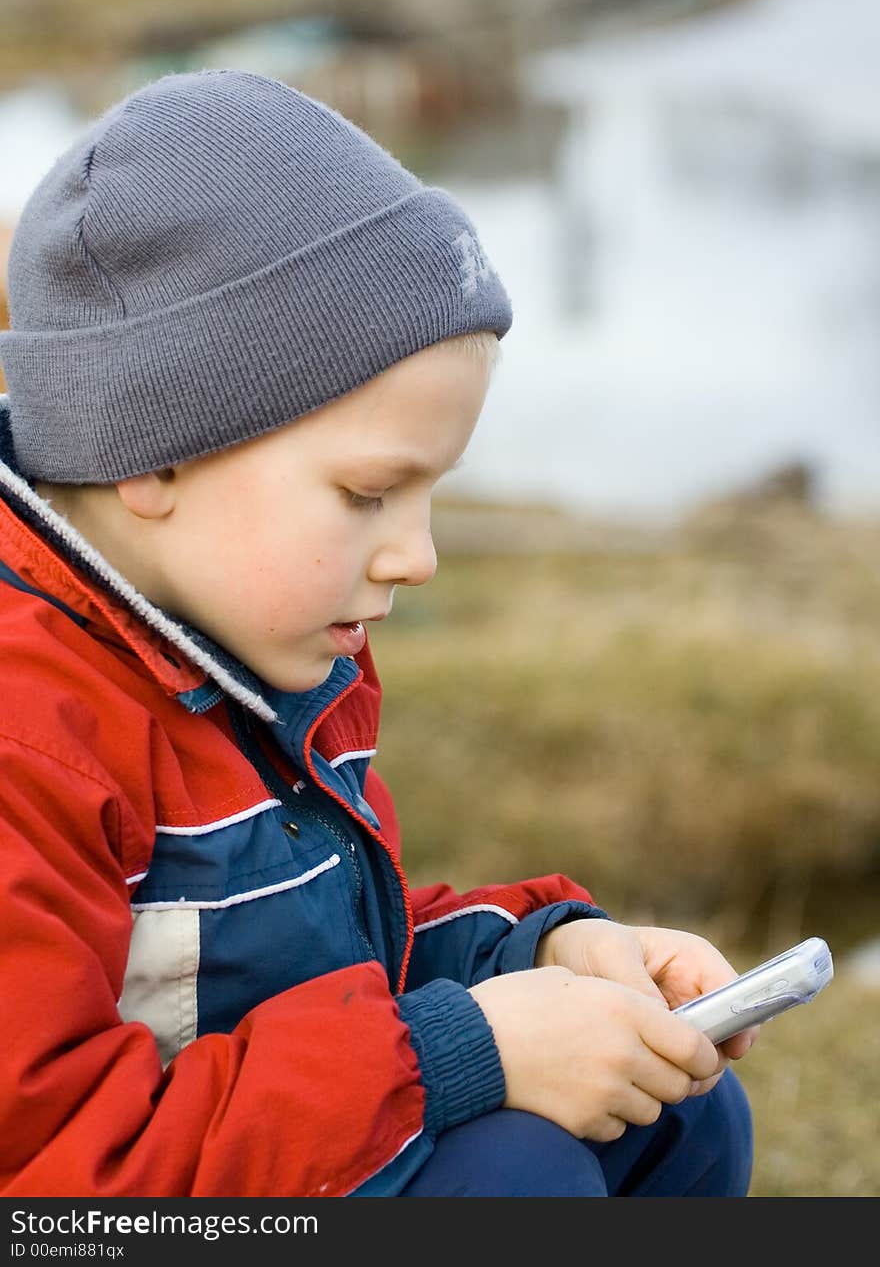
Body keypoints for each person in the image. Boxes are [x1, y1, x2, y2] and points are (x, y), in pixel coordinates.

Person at [0, 68, 755, 1198]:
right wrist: (461, 1053)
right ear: (153, 452)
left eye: (430, 494)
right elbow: (54, 1173)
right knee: (516, 1177)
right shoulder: (29, 734)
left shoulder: (260, 650)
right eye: (367, 494)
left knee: (675, 1111)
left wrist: (533, 958)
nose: (417, 555)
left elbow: (330, 967)